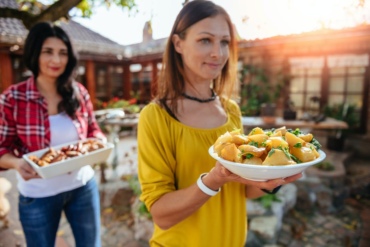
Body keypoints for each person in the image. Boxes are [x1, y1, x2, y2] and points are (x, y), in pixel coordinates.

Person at [137, 1, 302, 246]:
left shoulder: (231, 111)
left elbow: (242, 190)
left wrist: (275, 179)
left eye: (224, 42)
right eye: (206, 40)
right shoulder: (157, 117)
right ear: (178, 44)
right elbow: (161, 214)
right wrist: (212, 180)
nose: (219, 53)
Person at [0, 22, 105, 247]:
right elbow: (2, 149)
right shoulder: (13, 98)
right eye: (48, 52)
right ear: (35, 53)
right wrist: (18, 163)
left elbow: (92, 130)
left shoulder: (78, 92)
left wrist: (100, 140)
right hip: (37, 194)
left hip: (82, 186)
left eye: (62, 53)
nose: (56, 60)